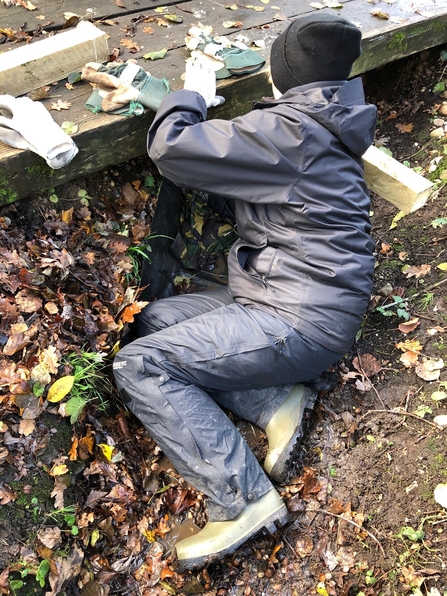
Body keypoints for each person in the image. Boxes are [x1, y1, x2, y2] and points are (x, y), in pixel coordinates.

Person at [113, 11, 377, 571]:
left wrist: (190, 93)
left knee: (142, 366)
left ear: (282, 74)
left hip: (298, 318)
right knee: (154, 319)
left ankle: (243, 501)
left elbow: (172, 147)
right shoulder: (323, 123)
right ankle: (275, 400)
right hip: (292, 300)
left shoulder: (289, 132)